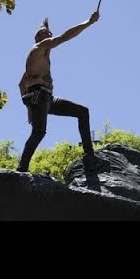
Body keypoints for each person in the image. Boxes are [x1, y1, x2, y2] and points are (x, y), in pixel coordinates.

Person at [17, 11, 101, 173]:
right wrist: (89, 22)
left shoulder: (39, 59)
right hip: (38, 95)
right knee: (39, 132)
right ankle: (22, 168)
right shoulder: (38, 47)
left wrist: (29, 108)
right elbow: (64, 37)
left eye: (49, 32)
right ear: (37, 38)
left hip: (47, 98)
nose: (49, 33)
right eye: (44, 32)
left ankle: (89, 156)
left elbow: (21, 83)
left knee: (82, 112)